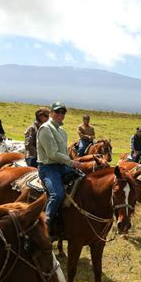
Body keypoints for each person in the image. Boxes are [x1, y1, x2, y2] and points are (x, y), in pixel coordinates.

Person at [37, 101, 85, 239]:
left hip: (62, 166)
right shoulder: (45, 129)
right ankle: (45, 225)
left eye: (63, 112)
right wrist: (71, 162)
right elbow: (52, 154)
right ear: (51, 113)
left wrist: (71, 163)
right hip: (48, 168)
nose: (60, 115)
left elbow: (63, 153)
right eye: (57, 112)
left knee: (83, 180)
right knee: (57, 194)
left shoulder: (62, 132)